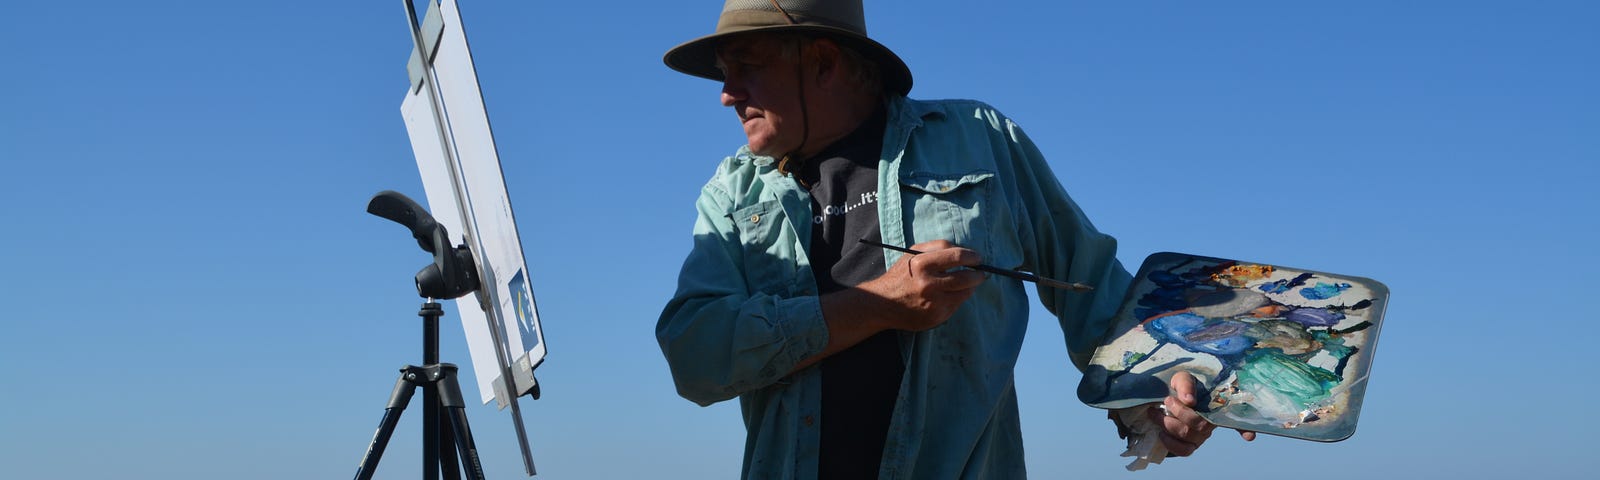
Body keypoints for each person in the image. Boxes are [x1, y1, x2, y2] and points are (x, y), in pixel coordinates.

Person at [656, 1, 1252, 478]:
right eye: (725, 73)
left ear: (822, 61)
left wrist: (1155, 405)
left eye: (747, 66)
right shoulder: (733, 193)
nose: (727, 93)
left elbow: (1092, 290)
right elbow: (694, 355)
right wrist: (876, 304)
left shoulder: (978, 139)